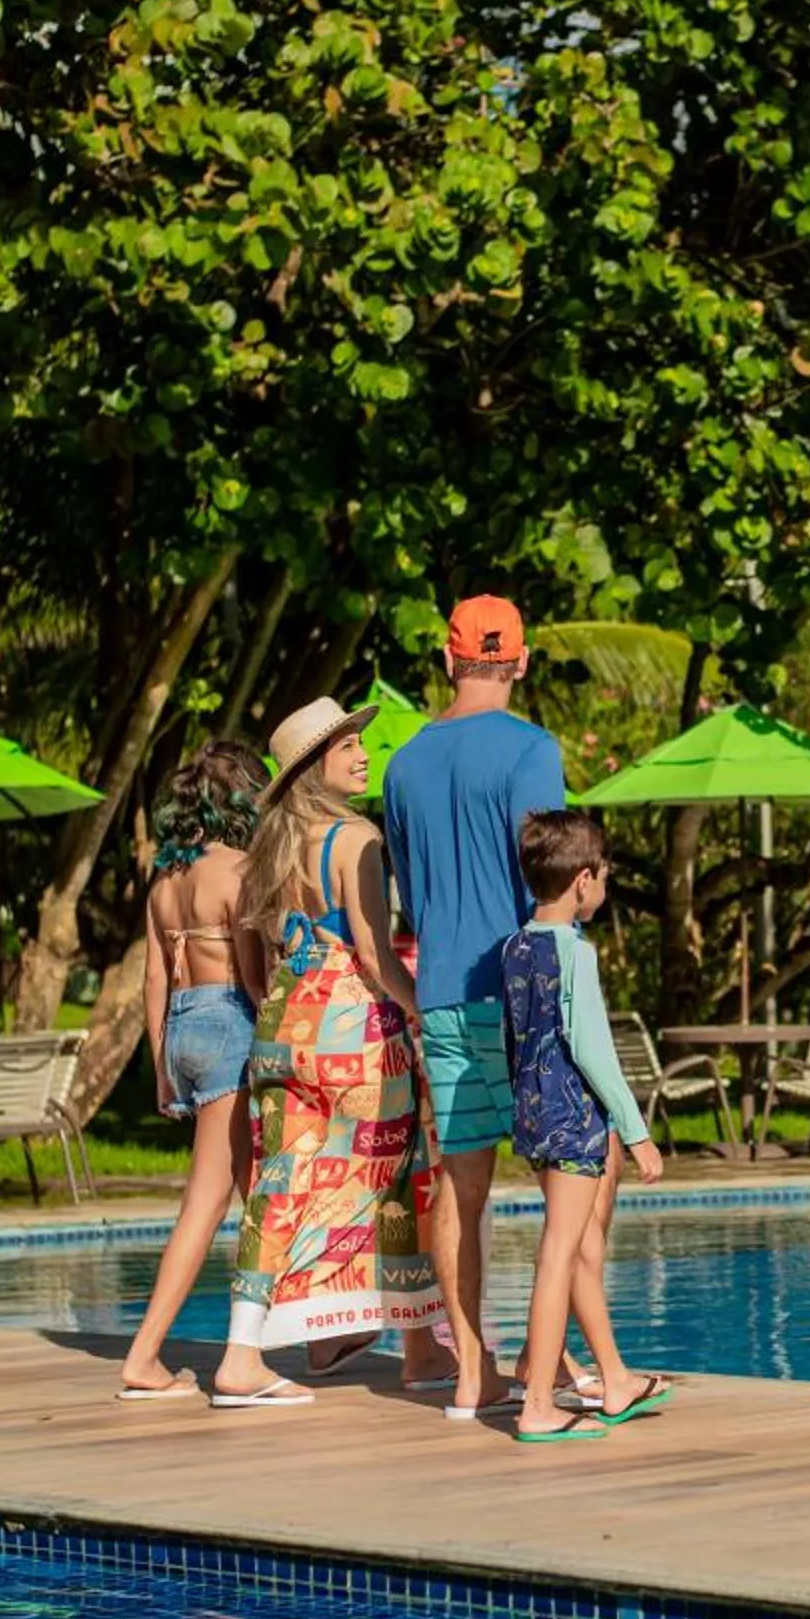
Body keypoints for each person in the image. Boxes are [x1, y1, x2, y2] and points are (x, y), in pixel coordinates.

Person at [211, 697, 441, 1409]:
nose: (362, 753)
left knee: (279, 1190)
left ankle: (243, 1354)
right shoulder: (356, 838)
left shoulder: (269, 850)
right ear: (316, 765)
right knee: (395, 1179)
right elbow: (374, 952)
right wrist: (420, 1011)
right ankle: (420, 1348)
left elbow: (252, 969)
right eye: (347, 746)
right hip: (354, 1031)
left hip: (283, 1028)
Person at [380, 595, 567, 1417]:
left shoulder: (403, 763)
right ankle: (549, 1361)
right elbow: (550, 877)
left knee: (460, 1191)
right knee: (577, 1177)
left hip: (446, 990)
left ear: (449, 661)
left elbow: (413, 897)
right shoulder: (533, 750)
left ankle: (469, 1372)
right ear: (520, 663)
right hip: (521, 989)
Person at [499, 810, 667, 1443]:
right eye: (604, 877)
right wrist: (636, 1128)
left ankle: (615, 1380)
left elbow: (511, 1039)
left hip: (535, 1111)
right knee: (560, 1253)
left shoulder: (513, 947)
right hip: (573, 1116)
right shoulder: (575, 954)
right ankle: (538, 1403)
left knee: (582, 1250)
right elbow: (594, 1049)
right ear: (583, 881)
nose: (604, 888)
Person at [116, 740, 270, 1402]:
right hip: (229, 1024)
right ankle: (144, 1355)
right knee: (206, 1204)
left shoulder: (166, 883)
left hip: (180, 1027)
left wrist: (160, 1068)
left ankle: (318, 1334)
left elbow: (153, 979)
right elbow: (255, 979)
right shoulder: (236, 874)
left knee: (262, 1189)